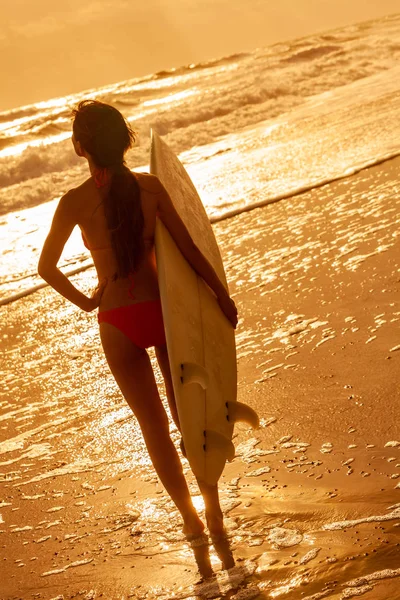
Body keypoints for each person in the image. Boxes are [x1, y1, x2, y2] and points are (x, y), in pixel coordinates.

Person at [38, 100, 238, 547]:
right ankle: (214, 509)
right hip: (162, 311)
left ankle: (190, 521)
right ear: (125, 140)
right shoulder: (150, 188)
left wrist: (88, 303)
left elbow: (46, 268)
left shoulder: (73, 202)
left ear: (79, 148)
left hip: (116, 320)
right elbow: (188, 249)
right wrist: (220, 296)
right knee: (189, 414)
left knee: (153, 428)